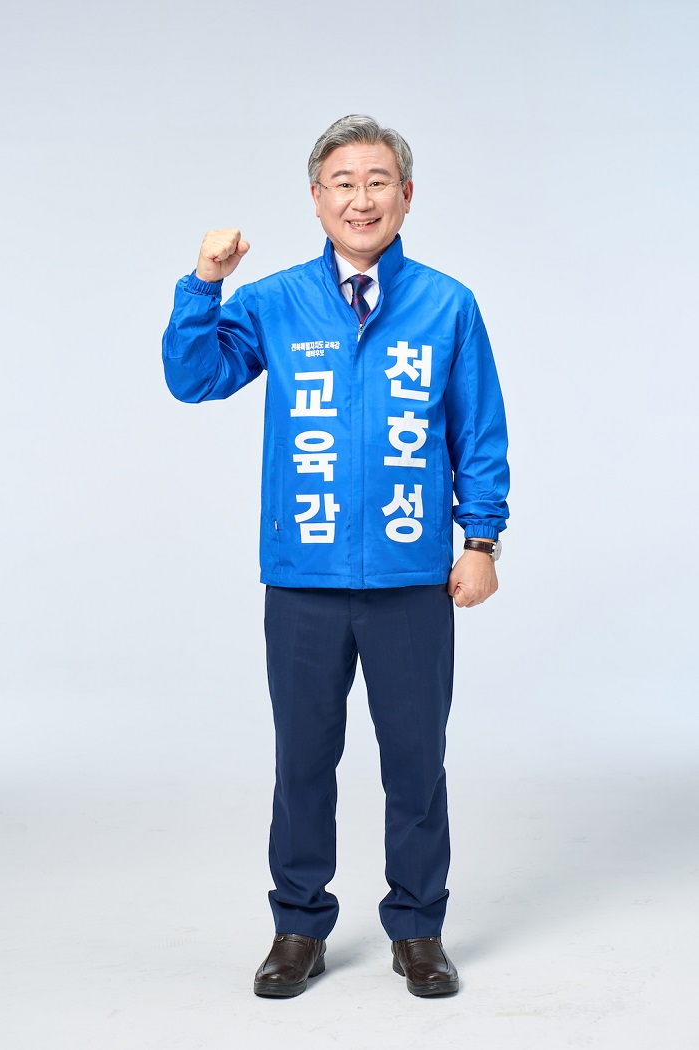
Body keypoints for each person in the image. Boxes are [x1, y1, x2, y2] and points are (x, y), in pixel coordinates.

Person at [162, 114, 509, 998]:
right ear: (316, 199)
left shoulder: (447, 305)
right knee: (304, 762)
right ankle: (298, 928)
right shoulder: (274, 301)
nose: (362, 198)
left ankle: (418, 930)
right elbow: (194, 378)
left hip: (411, 579)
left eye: (378, 181)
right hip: (304, 579)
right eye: (344, 183)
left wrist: (479, 540)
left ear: (406, 196)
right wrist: (204, 284)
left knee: (416, 763)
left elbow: (478, 431)